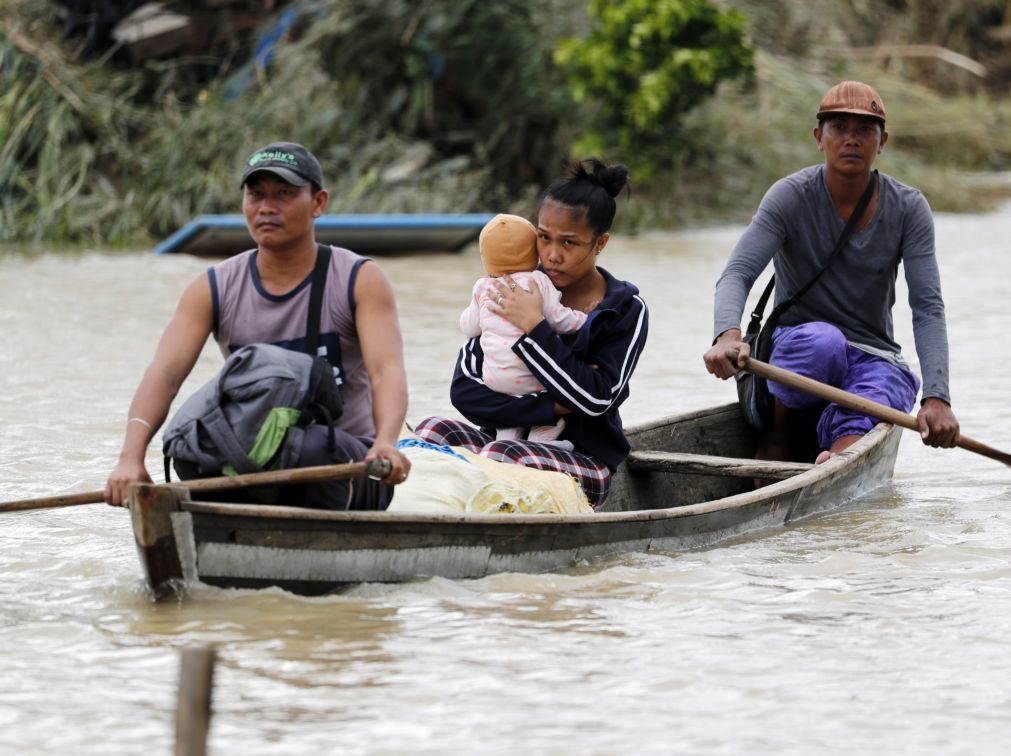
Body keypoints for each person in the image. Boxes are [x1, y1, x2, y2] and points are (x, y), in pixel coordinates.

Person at [105, 141, 411, 509]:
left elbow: (386, 371)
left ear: (318, 203)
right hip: (255, 455)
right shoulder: (214, 287)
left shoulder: (358, 278)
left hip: (348, 462)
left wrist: (386, 443)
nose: (267, 207)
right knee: (187, 447)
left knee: (308, 446)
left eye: (284, 194)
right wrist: (130, 458)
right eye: (256, 194)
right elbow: (165, 375)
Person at [703, 81, 960, 464]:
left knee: (886, 384)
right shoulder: (789, 196)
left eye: (864, 130)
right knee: (823, 342)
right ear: (818, 137)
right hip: (800, 348)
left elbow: (928, 307)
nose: (851, 140)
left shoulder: (908, 208)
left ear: (882, 140)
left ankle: (838, 458)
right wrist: (728, 336)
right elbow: (738, 272)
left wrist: (937, 397)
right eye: (839, 127)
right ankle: (779, 433)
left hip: (873, 354)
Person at [415, 159, 649, 509]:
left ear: (599, 244)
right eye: (544, 237)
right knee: (431, 431)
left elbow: (595, 400)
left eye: (569, 243)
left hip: (584, 463)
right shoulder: (510, 285)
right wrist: (549, 406)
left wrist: (535, 328)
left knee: (502, 453)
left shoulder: (624, 309)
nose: (552, 255)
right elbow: (464, 391)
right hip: (502, 445)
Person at [460, 212, 589, 447]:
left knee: (507, 426)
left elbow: (470, 327)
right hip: (533, 378)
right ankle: (544, 443)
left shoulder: (482, 287)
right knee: (553, 418)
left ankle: (504, 443)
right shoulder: (537, 282)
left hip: (496, 380)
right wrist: (586, 318)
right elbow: (559, 319)